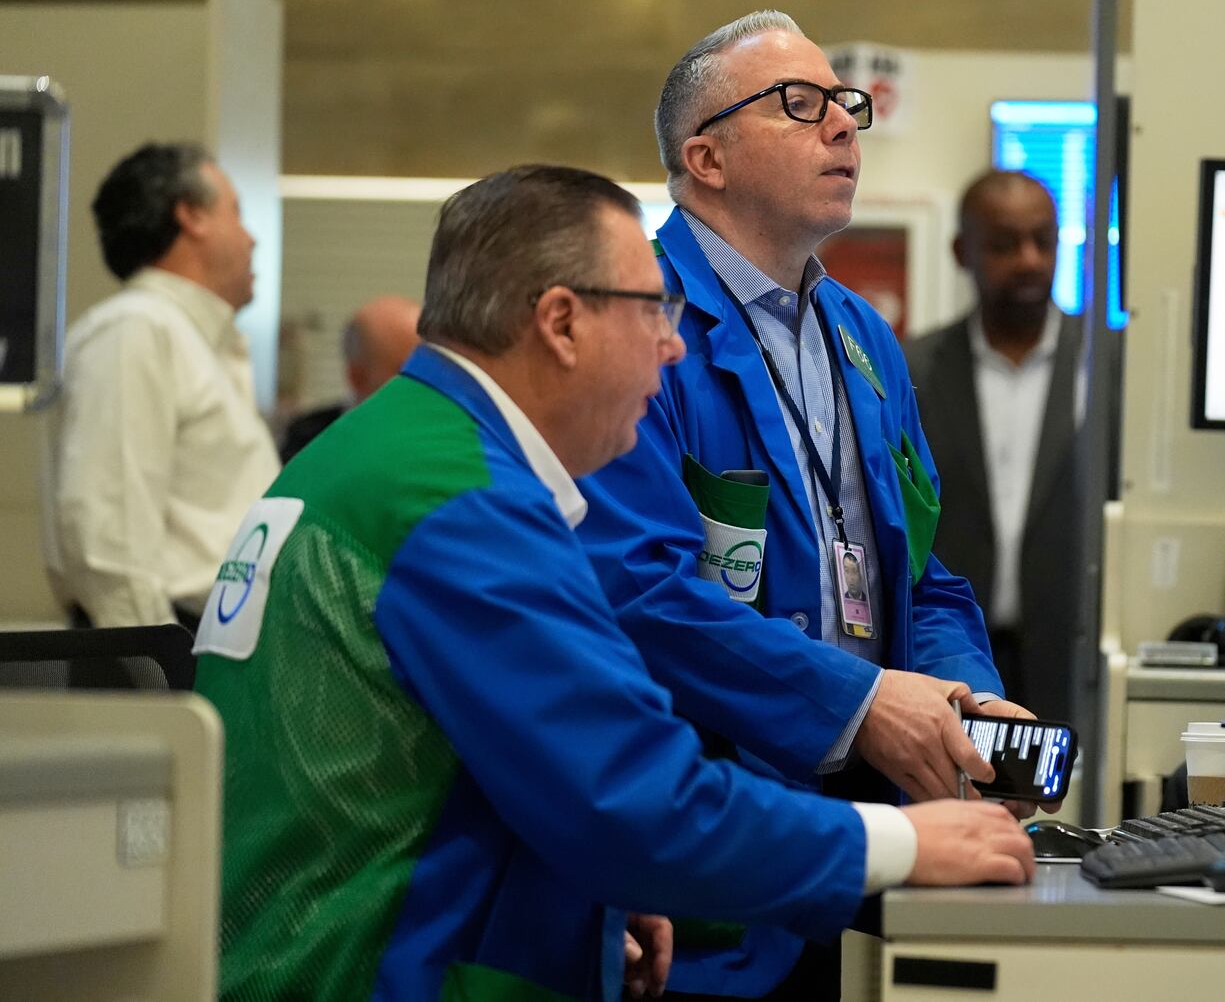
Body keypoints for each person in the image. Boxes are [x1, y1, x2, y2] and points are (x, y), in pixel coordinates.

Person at [191, 165, 1033, 1002]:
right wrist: (905, 844)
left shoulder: (383, 452)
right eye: (653, 311)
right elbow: (640, 798)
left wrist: (581, 902)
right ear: (561, 322)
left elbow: (432, 763)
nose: (673, 346)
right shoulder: (465, 505)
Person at [574, 11, 1039, 1000]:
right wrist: (861, 703)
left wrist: (962, 694)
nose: (843, 127)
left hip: (870, 838)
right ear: (705, 157)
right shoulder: (637, 318)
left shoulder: (862, 335)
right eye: (800, 104)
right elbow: (636, 594)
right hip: (710, 853)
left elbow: (921, 575)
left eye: (846, 105)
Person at [42, 142, 279, 680]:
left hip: (198, 645)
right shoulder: (134, 332)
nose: (252, 236)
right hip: (162, 654)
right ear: (190, 216)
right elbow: (109, 546)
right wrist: (158, 688)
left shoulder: (187, 339)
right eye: (237, 213)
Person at [904, 169, 1091, 733]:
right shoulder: (914, 369)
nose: (1030, 260)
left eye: (1043, 240)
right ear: (964, 251)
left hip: (1072, 655)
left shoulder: (1106, 367)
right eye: (1005, 244)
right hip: (950, 658)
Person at [280, 295, 422, 462]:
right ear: (357, 377)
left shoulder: (445, 438)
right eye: (408, 373)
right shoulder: (309, 444)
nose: (426, 384)